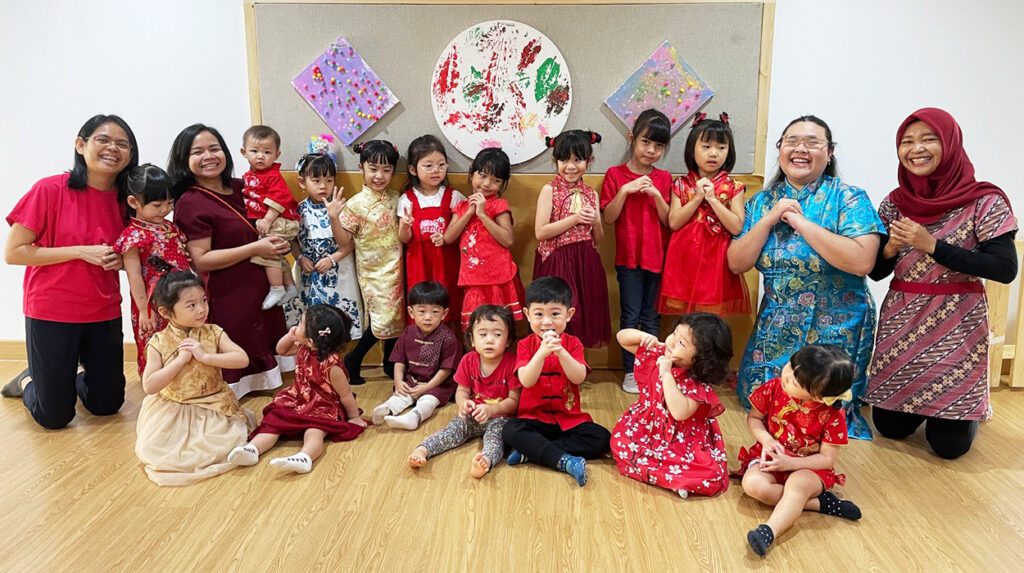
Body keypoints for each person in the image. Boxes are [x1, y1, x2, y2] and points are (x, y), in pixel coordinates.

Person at [864, 108, 1018, 459]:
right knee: (890, 428)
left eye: (928, 139)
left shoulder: (984, 200)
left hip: (957, 322)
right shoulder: (895, 203)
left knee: (949, 447)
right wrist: (890, 248)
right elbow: (876, 272)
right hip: (903, 320)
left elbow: (1004, 268)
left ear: (950, 144)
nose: (916, 148)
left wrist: (931, 245)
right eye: (907, 141)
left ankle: (970, 405)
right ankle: (927, 407)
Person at [727, 115, 885, 439]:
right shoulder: (762, 202)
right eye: (792, 141)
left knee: (820, 414)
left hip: (837, 328)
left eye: (812, 142)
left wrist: (800, 223)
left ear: (829, 153)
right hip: (776, 327)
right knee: (763, 405)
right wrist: (769, 220)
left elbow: (862, 262)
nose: (801, 148)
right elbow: (736, 262)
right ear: (780, 149)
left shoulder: (849, 198)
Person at [3, 114, 138, 429]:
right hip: (51, 311)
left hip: (103, 310)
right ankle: (28, 380)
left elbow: (135, 250)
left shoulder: (128, 199)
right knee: (54, 418)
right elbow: (13, 252)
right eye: (103, 140)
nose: (112, 148)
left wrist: (120, 261)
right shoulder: (49, 189)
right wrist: (80, 251)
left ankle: (71, 374)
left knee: (107, 405)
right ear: (80, 145)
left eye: (122, 144)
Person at [169, 123, 292, 398]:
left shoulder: (243, 186)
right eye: (197, 152)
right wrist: (255, 248)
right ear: (184, 160)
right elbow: (201, 260)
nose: (208, 156)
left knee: (263, 336)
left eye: (214, 149)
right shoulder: (190, 202)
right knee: (238, 343)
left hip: (262, 283)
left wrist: (280, 241)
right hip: (228, 290)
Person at [733, 345, 863, 557]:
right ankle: (819, 505)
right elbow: (754, 418)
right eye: (790, 366)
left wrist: (792, 463)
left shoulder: (832, 414)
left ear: (818, 396)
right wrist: (766, 440)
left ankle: (769, 531)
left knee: (797, 486)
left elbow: (827, 459)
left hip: (808, 468)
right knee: (753, 486)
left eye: (795, 381)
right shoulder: (774, 387)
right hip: (771, 457)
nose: (786, 376)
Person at [135, 271, 255, 486]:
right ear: (165, 312)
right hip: (175, 409)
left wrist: (206, 357)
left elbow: (242, 359)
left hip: (214, 405)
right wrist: (180, 361)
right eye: (191, 305)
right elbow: (150, 386)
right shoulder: (158, 342)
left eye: (204, 300)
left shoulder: (214, 332)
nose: (201, 309)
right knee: (158, 449)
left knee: (223, 443)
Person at [229, 304, 367, 474]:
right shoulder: (304, 347)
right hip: (298, 398)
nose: (296, 325)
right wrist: (289, 337)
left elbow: (345, 395)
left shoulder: (332, 366)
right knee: (273, 423)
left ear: (311, 340)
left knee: (315, 431)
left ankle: (304, 457)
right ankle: (253, 449)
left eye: (301, 324)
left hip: (323, 406)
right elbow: (280, 350)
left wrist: (353, 417)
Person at [501, 277, 612, 487]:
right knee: (510, 430)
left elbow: (578, 377)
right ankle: (562, 459)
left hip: (569, 420)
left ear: (569, 314)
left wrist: (561, 352)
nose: (547, 322)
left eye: (555, 314)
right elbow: (526, 380)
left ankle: (532, 452)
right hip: (534, 419)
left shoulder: (574, 343)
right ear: (527, 315)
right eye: (538, 314)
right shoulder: (525, 345)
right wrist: (541, 353)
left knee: (602, 438)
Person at [611, 313, 732, 497]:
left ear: (701, 358)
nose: (672, 341)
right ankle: (673, 479)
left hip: (683, 442)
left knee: (712, 474)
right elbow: (622, 338)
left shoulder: (697, 384)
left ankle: (673, 478)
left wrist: (667, 374)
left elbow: (678, 412)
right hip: (647, 429)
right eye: (674, 333)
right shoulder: (660, 353)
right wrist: (643, 337)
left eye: (682, 343)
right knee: (619, 444)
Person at [600, 109, 673, 393]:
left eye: (659, 145)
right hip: (628, 260)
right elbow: (609, 217)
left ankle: (651, 371)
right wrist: (625, 190)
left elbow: (669, 221)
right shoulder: (615, 174)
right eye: (646, 142)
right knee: (630, 315)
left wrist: (656, 195)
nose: (651, 150)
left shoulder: (664, 178)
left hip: (658, 259)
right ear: (632, 138)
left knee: (652, 317)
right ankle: (631, 371)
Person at [409, 305, 520, 478]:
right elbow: (462, 390)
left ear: (508, 340)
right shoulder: (468, 360)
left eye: (497, 335)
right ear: (472, 339)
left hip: (500, 418)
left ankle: (485, 461)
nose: (489, 340)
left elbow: (514, 401)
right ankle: (423, 450)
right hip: (473, 415)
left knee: (495, 439)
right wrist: (463, 403)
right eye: (483, 334)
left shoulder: (512, 363)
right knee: (452, 430)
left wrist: (492, 410)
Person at [659, 113, 749, 316]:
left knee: (711, 318)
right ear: (692, 150)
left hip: (716, 264)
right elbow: (674, 222)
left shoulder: (734, 186)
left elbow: (736, 226)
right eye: (706, 146)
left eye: (721, 147)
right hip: (684, 261)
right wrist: (697, 197)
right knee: (685, 318)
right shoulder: (680, 184)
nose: (713, 153)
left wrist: (714, 200)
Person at [335, 140, 405, 385]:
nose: (379, 176)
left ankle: (389, 363)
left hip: (399, 267)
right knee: (383, 318)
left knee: (397, 317)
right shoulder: (355, 205)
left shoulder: (397, 198)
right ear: (361, 168)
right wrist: (334, 217)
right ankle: (354, 359)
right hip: (373, 272)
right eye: (373, 169)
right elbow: (344, 240)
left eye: (386, 170)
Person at [534, 129, 610, 348]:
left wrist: (595, 221)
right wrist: (575, 218)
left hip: (585, 262)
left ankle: (575, 362)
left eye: (578, 160)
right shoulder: (549, 190)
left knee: (583, 315)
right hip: (557, 260)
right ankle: (552, 363)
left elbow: (597, 238)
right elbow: (541, 232)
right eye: (564, 160)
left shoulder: (591, 193)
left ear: (589, 160)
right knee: (559, 314)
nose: (571, 166)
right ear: (555, 161)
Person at [113, 164, 192, 375]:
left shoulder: (171, 227)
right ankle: (156, 384)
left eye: (169, 203)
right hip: (152, 303)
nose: (165, 209)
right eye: (157, 205)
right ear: (133, 202)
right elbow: (134, 276)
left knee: (184, 340)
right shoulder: (133, 236)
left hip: (182, 296)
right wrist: (144, 310)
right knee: (156, 343)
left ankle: (186, 383)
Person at [444, 147, 525, 328]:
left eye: (496, 180)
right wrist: (469, 212)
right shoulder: (462, 206)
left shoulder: (499, 205)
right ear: (471, 173)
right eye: (482, 176)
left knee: (500, 326)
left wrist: (482, 214)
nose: (487, 184)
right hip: (473, 279)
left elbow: (507, 240)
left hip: (498, 278)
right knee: (475, 327)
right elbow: (448, 237)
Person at [286, 149, 363, 340]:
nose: (323, 186)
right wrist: (300, 257)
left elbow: (348, 243)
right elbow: (293, 240)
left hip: (337, 273)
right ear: (302, 182)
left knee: (336, 325)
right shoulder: (298, 210)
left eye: (329, 180)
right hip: (309, 276)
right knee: (311, 326)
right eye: (316, 180)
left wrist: (331, 259)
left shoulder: (341, 208)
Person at [371, 281, 461, 430]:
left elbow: (446, 369)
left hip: (437, 385)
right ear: (411, 312)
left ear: (444, 313)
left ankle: (414, 417)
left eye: (435, 312)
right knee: (401, 395)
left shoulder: (448, 338)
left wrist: (427, 387)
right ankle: (387, 409)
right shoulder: (408, 332)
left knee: (428, 401)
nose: (428, 317)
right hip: (411, 380)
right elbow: (399, 359)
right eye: (422, 311)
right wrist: (398, 381)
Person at [398, 135, 465, 323]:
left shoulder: (454, 196)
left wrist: (446, 236)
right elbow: (404, 238)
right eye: (428, 165)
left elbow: (460, 229)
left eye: (441, 164)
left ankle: (450, 340)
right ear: (413, 169)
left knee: (448, 303)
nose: (436, 170)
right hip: (418, 263)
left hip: (446, 261)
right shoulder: (407, 199)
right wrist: (405, 226)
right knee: (421, 305)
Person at [239, 125, 299, 309]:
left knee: (267, 251)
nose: (260, 156)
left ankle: (276, 288)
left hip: (281, 220)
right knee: (277, 254)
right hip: (274, 221)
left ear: (276, 155)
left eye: (267, 152)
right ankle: (290, 286)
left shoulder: (272, 175)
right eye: (254, 151)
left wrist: (267, 220)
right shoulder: (249, 176)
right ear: (244, 152)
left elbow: (279, 198)